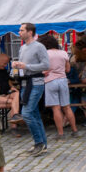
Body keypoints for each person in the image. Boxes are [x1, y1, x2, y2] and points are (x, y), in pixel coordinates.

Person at [12, 22, 50, 157]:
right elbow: (25, 65)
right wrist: (17, 65)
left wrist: (26, 66)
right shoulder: (22, 48)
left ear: (30, 32)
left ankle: (39, 142)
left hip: (36, 83)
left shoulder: (39, 47)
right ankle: (42, 144)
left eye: (21, 30)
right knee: (34, 115)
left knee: (27, 114)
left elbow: (46, 65)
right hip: (25, 84)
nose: (19, 32)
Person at [40, 35, 80, 139]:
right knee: (67, 107)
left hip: (50, 81)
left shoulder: (45, 54)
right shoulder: (63, 53)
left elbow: (43, 70)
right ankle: (75, 131)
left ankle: (61, 133)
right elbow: (68, 69)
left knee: (56, 108)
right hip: (63, 81)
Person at [0, 53, 23, 134]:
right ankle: (14, 126)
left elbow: (8, 81)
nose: (5, 65)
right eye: (4, 63)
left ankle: (15, 116)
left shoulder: (3, 71)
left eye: (7, 64)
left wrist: (12, 87)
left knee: (16, 93)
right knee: (14, 103)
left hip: (5, 94)